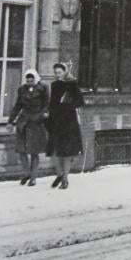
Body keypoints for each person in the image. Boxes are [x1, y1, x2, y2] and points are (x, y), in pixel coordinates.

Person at [8, 68, 50, 186]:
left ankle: (33, 177)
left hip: (36, 123)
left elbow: (46, 104)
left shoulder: (43, 88)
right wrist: (10, 121)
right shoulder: (22, 89)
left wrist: (42, 115)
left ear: (35, 79)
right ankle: (26, 173)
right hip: (23, 123)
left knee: (34, 151)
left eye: (31, 80)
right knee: (22, 150)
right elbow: (18, 106)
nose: (29, 82)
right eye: (27, 80)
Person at [47, 62, 84, 190]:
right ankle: (59, 174)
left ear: (65, 72)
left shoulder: (72, 84)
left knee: (67, 151)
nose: (57, 75)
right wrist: (50, 115)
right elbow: (52, 102)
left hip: (69, 121)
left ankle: (65, 178)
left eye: (60, 72)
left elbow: (80, 101)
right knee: (54, 150)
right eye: (56, 72)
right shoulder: (54, 85)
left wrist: (68, 106)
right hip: (56, 121)